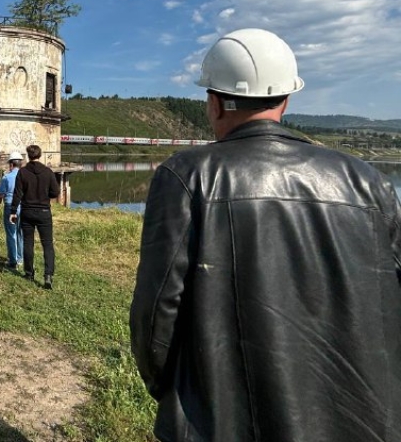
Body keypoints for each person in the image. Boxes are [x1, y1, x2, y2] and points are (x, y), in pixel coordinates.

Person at [130, 28, 401, 442]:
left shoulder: (187, 176)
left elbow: (156, 315)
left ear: (215, 102)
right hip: (362, 417)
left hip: (221, 420)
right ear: (287, 99)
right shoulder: (368, 181)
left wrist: (170, 388)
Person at [10, 144, 60, 289]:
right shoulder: (48, 172)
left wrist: (13, 211)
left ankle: (29, 272)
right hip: (44, 212)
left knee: (28, 243)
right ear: (40, 155)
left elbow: (18, 193)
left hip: (27, 211)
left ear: (28, 156)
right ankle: (48, 275)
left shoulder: (23, 172)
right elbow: (55, 192)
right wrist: (46, 195)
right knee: (48, 244)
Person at [0, 151, 24, 270]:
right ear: (20, 164)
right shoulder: (25, 176)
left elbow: (0, 195)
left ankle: (12, 261)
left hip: (10, 207)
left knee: (11, 234)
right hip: (23, 207)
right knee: (21, 233)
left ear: (11, 164)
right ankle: (20, 259)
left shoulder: (6, 178)